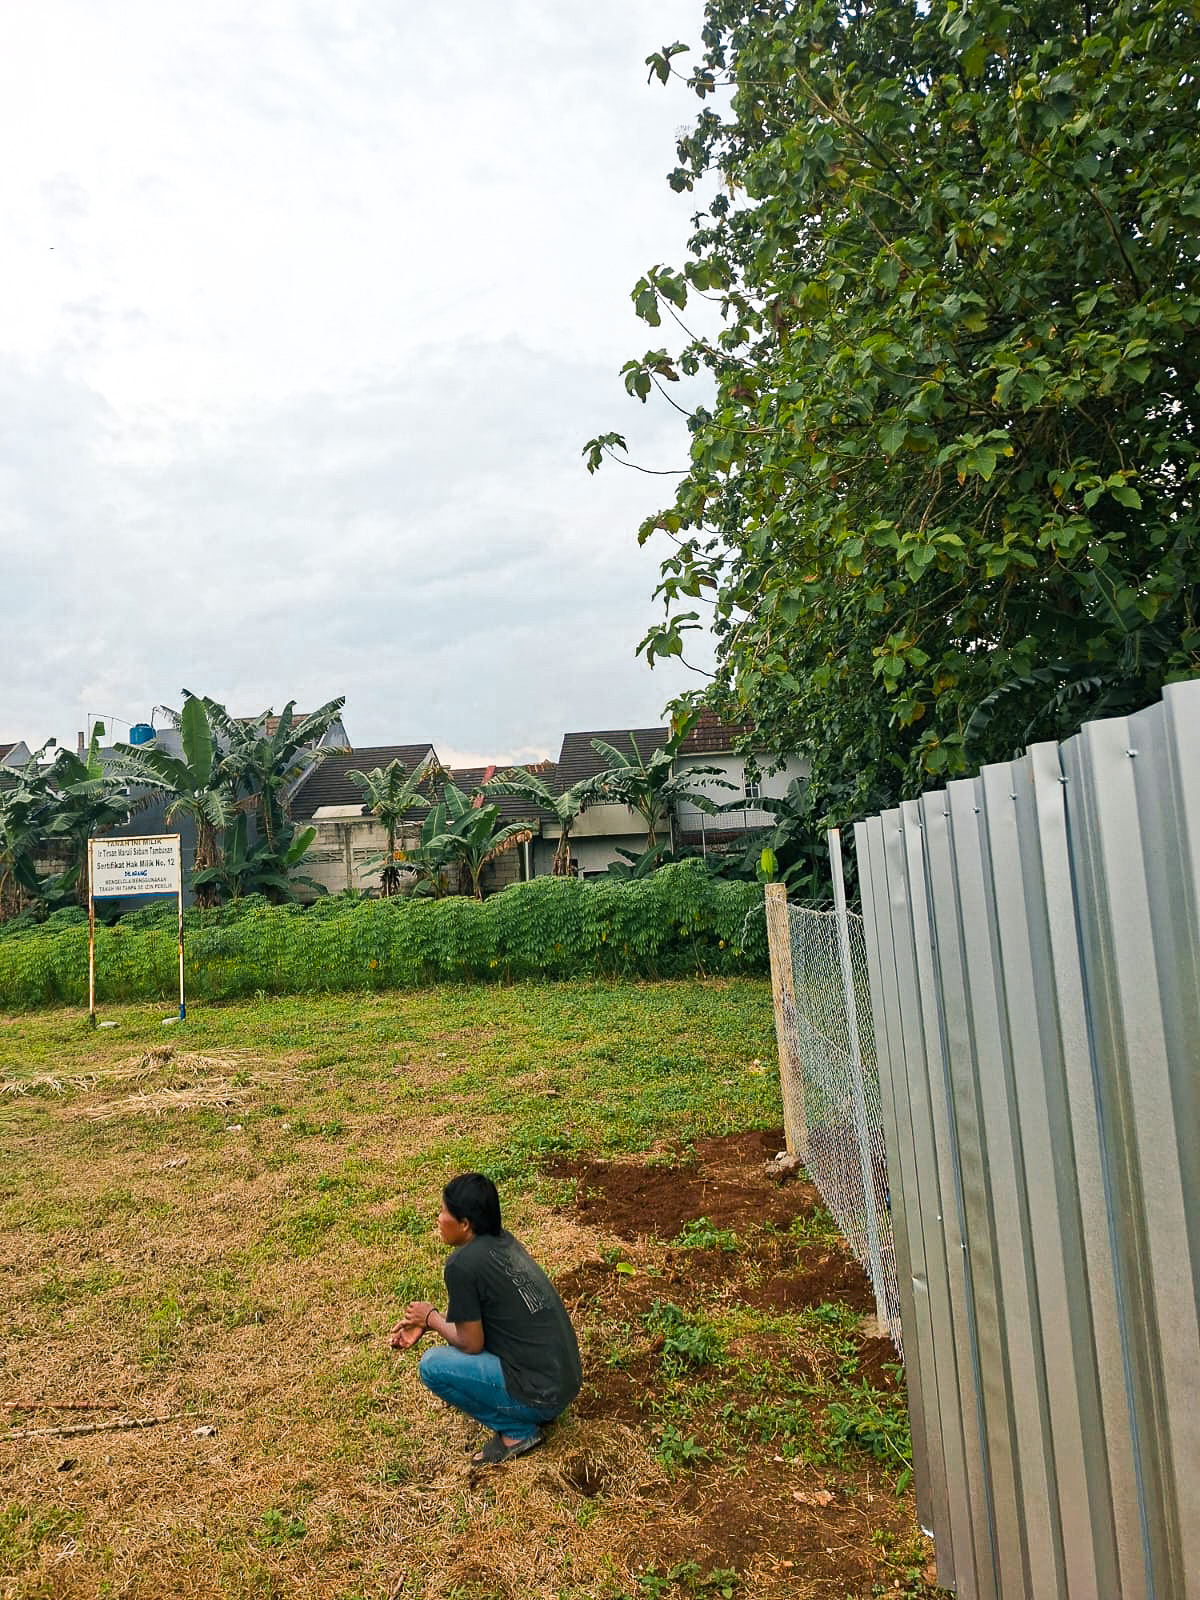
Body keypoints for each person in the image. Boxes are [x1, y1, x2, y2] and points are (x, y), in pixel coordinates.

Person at [389, 1172, 582, 1466]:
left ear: (465, 1224)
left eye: (444, 1212)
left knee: (433, 1366)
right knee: (452, 1350)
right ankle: (529, 1410)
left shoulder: (462, 1265)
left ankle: (517, 1432)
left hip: (542, 1396)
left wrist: (431, 1318)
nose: (439, 1218)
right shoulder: (503, 1242)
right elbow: (480, 1322)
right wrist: (433, 1322)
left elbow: (471, 1343)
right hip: (565, 1382)